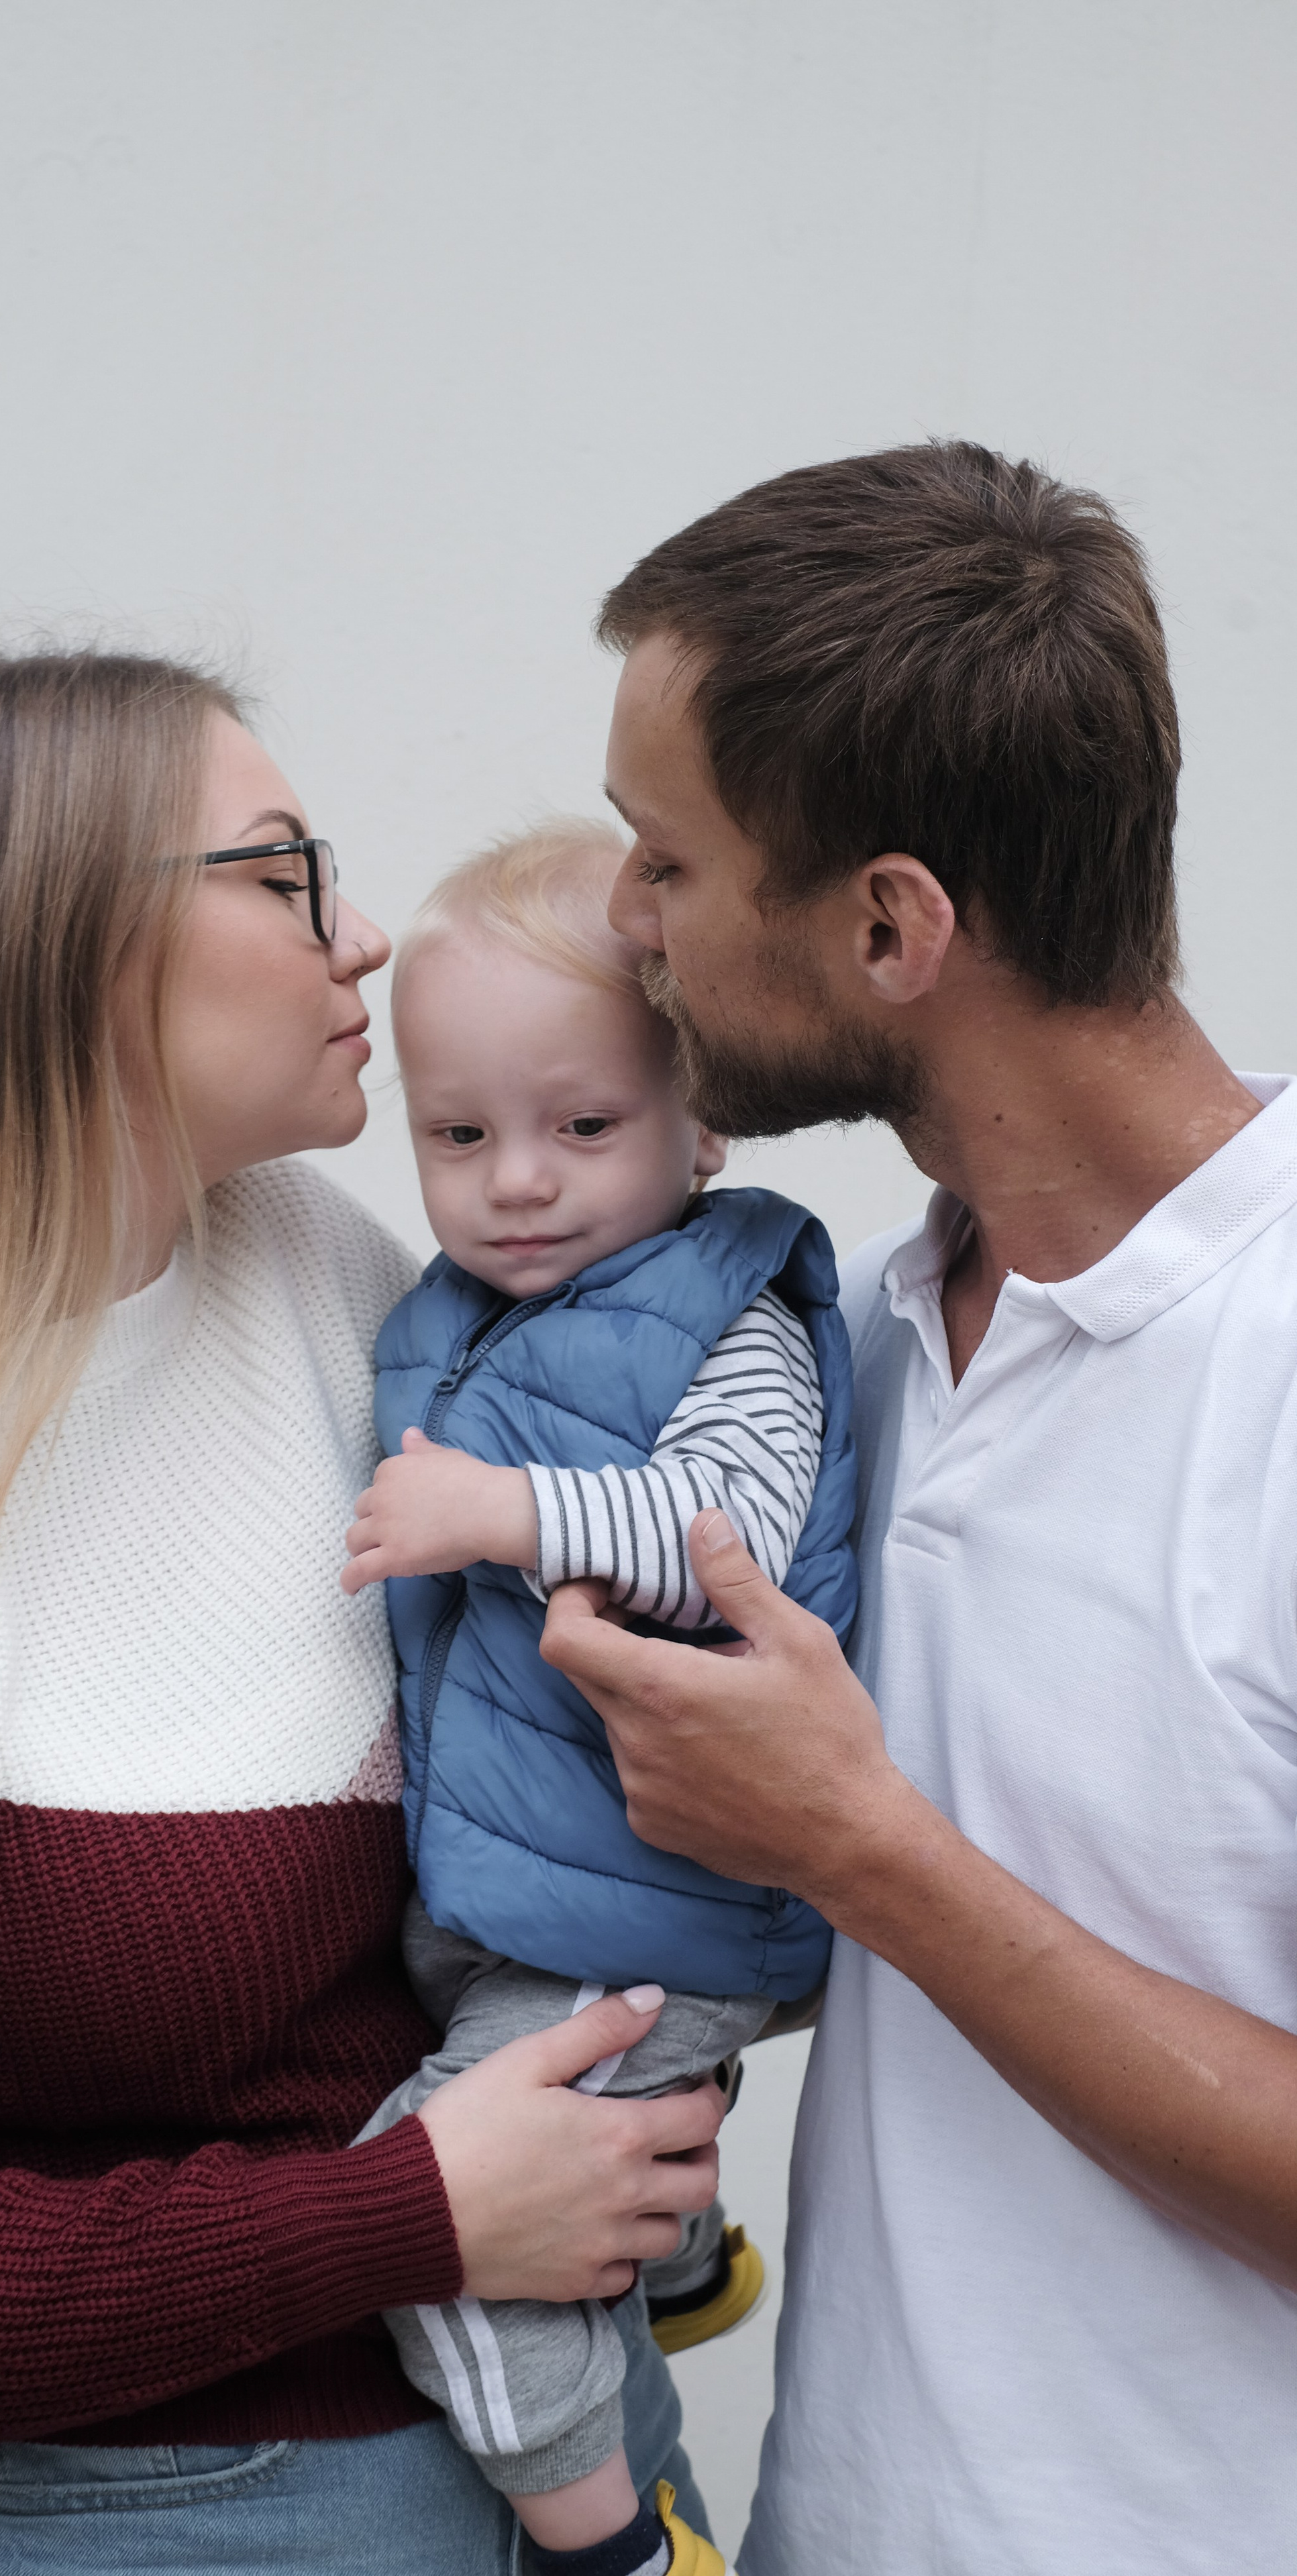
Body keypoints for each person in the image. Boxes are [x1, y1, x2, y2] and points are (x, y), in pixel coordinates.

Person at [0, 649, 727, 2575]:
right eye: (284, 874)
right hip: (155, 2533)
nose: (359, 940)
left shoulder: (324, 1283)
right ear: (63, 940)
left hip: (584, 2455)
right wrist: (417, 2216)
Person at [537, 441, 1297, 2575]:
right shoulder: (847, 1347)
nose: (627, 918)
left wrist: (854, 1844)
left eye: (663, 859)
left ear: (891, 926)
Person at [340, 822, 855, 2576]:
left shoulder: (736, 1322)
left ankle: (609, 2545)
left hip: (658, 1914)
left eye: (584, 1127)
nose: (520, 1182)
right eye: (461, 1135)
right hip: (532, 1895)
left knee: (434, 2233)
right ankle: (688, 2254)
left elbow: (721, 1540)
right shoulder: (444, 1318)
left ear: (700, 1124)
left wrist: (493, 1514)